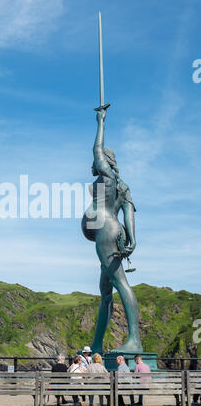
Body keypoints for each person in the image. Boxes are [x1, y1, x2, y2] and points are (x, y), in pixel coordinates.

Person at [82, 108, 143, 355]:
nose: (93, 165)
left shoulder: (106, 177)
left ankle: (134, 340)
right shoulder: (122, 186)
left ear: (106, 161)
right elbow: (129, 213)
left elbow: (96, 148)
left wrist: (100, 122)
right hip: (114, 232)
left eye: (98, 161)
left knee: (119, 282)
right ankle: (97, 344)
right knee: (105, 292)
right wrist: (133, 239)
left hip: (106, 232)